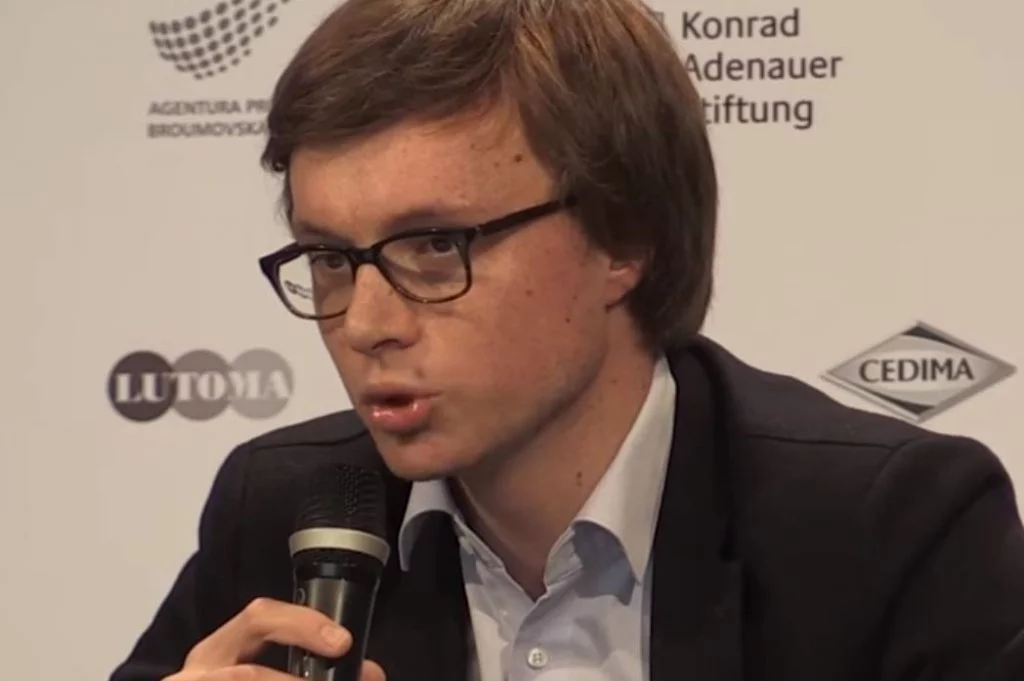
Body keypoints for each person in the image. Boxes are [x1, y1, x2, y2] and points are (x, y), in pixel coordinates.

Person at [110, 1, 1024, 679]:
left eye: (436, 245)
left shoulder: (890, 527)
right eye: (329, 257)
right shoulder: (285, 513)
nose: (366, 323)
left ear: (623, 238)